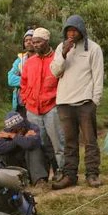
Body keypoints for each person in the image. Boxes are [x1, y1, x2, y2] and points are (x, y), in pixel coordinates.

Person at [50, 15, 104, 189]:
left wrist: (95, 100)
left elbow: (98, 76)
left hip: (85, 102)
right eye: (69, 31)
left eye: (75, 30)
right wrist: (63, 54)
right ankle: (70, 175)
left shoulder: (94, 49)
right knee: (70, 141)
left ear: (82, 31)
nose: (72, 34)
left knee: (90, 140)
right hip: (65, 102)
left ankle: (92, 173)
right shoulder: (61, 48)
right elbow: (55, 72)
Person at [20, 27, 64, 181]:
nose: (35, 45)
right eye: (33, 42)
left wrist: (57, 101)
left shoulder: (56, 60)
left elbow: (62, 82)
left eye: (38, 42)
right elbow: (23, 83)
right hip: (33, 109)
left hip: (52, 107)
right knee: (41, 143)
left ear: (46, 41)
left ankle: (61, 171)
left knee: (58, 142)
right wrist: (25, 99)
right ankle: (42, 175)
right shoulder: (29, 62)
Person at [0, 111, 48, 186]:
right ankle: (8, 182)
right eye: (12, 131)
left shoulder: (32, 127)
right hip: (17, 164)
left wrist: (14, 137)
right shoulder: (7, 132)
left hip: (33, 165)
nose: (14, 132)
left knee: (35, 148)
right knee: (0, 155)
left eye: (16, 130)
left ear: (22, 126)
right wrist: (19, 138)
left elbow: (30, 144)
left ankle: (40, 181)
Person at [7, 29, 35, 119]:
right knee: (21, 130)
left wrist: (21, 78)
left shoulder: (42, 59)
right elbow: (10, 79)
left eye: (31, 40)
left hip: (36, 102)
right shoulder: (20, 60)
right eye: (26, 41)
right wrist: (30, 80)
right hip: (21, 103)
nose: (28, 42)